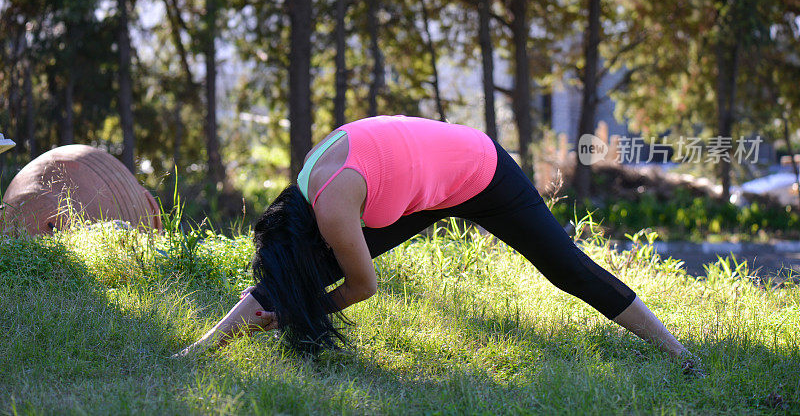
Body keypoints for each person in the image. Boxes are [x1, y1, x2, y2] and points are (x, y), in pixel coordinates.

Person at [176, 115, 689, 360]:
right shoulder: (312, 194)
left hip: (479, 169)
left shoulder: (332, 208)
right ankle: (198, 350)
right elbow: (303, 266)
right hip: (417, 189)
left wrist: (293, 315)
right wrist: (281, 302)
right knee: (306, 271)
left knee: (565, 267)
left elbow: (364, 287)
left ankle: (677, 351)